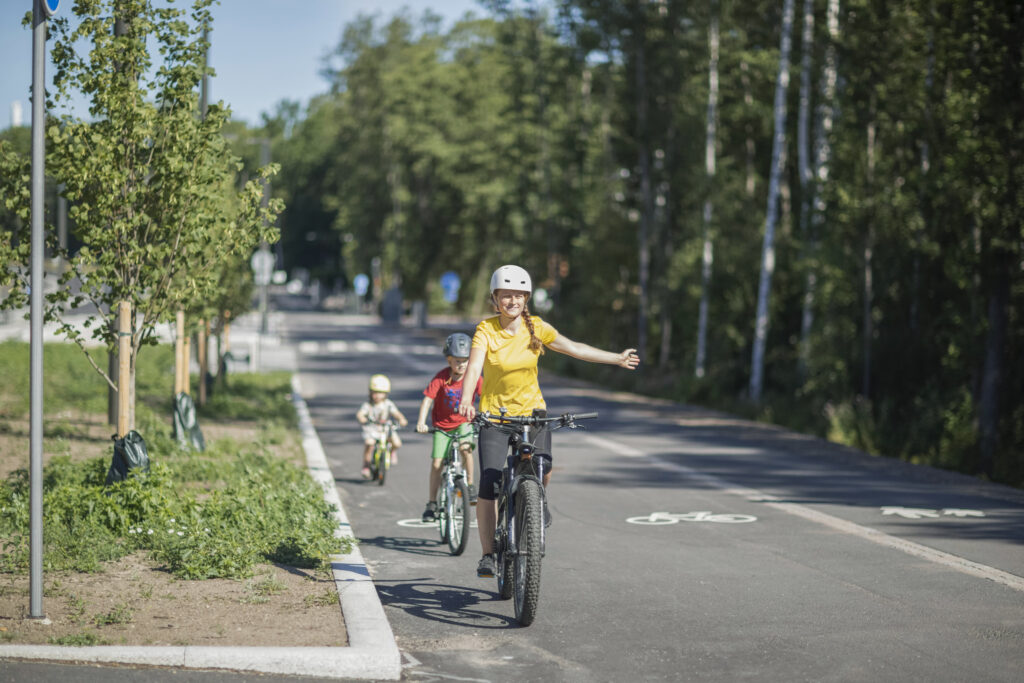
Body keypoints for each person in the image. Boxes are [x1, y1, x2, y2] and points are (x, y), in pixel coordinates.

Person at [458, 264, 640, 578]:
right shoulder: (486, 330)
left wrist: (616, 357)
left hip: (533, 413)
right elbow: (474, 367)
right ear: (495, 298)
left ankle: (535, 502)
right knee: (489, 484)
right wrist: (466, 399)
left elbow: (575, 348)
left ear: (526, 299)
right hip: (496, 416)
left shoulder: (537, 328)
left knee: (543, 465)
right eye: (506, 296)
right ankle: (488, 554)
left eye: (518, 295)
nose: (512, 301)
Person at [416, 333, 483, 522]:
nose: (461, 365)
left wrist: (485, 417)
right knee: (437, 463)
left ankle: (469, 485)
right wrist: (421, 422)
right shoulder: (441, 377)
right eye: (457, 361)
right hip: (442, 427)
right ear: (448, 359)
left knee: (465, 449)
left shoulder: (474, 377)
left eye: (465, 361)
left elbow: (485, 397)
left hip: (464, 423)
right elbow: (428, 399)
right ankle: (431, 504)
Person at [356, 374, 408, 479]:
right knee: (369, 444)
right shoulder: (368, 405)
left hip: (385, 429)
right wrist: (362, 418)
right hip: (372, 429)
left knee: (397, 443)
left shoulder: (388, 404)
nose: (377, 395)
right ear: (370, 392)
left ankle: (391, 452)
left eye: (380, 393)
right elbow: (360, 414)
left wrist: (401, 419)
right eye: (374, 392)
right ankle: (366, 464)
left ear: (385, 394)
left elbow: (396, 413)